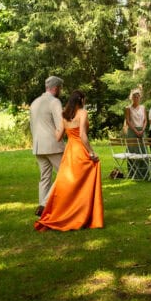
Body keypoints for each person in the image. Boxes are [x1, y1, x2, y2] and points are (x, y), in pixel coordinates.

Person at [35, 90, 104, 231]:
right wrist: (91, 152)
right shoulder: (82, 113)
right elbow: (83, 135)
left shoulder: (64, 115)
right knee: (83, 182)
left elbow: (58, 136)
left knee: (69, 184)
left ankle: (67, 212)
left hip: (69, 152)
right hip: (79, 150)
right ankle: (80, 214)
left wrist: (48, 126)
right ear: (82, 100)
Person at [30, 76, 65, 217]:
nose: (60, 91)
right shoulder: (55, 102)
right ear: (56, 88)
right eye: (60, 89)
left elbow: (32, 126)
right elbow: (60, 125)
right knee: (64, 173)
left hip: (38, 145)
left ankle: (42, 212)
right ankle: (44, 204)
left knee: (44, 178)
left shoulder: (35, 102)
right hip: (53, 145)